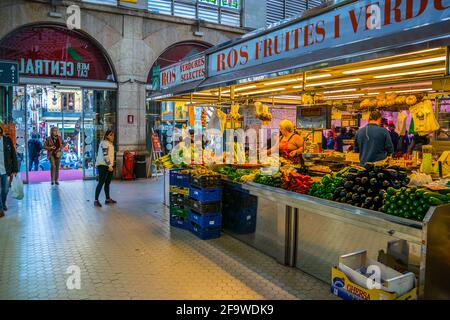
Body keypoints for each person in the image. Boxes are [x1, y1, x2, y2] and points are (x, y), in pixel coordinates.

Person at [94, 129, 116, 207]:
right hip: (103, 166)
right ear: (106, 136)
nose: (113, 136)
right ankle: (96, 200)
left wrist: (111, 165)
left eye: (113, 135)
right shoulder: (104, 143)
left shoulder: (110, 144)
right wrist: (109, 165)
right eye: (110, 135)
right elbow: (105, 155)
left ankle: (107, 199)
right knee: (101, 183)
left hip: (108, 166)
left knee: (107, 183)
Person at [0, 127, 19, 217]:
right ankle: (0, 208)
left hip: (6, 170)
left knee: (5, 189)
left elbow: (13, 155)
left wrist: (15, 169)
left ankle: (3, 203)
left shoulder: (7, 140)